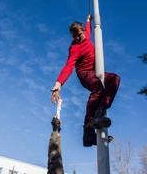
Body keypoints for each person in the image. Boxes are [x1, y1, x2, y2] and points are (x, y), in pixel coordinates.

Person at [51, 14, 120, 147]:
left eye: (78, 35)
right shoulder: (74, 48)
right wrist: (59, 83)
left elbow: (89, 28)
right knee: (98, 86)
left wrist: (88, 20)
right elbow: (68, 66)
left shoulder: (86, 34)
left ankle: (99, 113)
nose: (77, 38)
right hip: (84, 74)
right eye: (74, 36)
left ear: (82, 31)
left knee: (115, 79)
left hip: (95, 72)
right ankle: (88, 128)